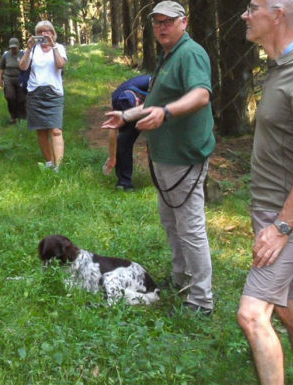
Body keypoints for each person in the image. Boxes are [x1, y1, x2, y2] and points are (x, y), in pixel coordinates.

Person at [237, 2, 293, 385]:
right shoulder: (280, 69)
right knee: (292, 307)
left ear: (277, 14)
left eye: (252, 6)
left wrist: (282, 226)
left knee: (252, 315)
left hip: (291, 217)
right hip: (273, 210)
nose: (244, 14)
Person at [112, 1, 216, 315]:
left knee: (191, 227)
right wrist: (126, 115)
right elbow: (157, 100)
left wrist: (167, 113)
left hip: (185, 157)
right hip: (165, 157)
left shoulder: (191, 54)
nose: (161, 27)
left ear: (184, 22)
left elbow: (201, 95)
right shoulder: (169, 55)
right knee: (172, 223)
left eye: (168, 21)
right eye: (157, 22)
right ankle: (181, 276)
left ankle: (201, 300)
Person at [19, 20, 68, 172]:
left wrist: (53, 46)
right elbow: (22, 67)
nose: (44, 34)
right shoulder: (33, 49)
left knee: (56, 130)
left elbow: (60, 65)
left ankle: (58, 166)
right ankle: (49, 162)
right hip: (35, 92)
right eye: (41, 32)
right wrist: (28, 49)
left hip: (54, 93)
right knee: (41, 130)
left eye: (48, 31)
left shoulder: (59, 48)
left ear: (54, 34)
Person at [101, 74, 150, 191]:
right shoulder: (118, 97)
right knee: (124, 140)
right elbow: (113, 130)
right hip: (133, 110)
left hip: (159, 106)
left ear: (138, 99)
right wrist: (112, 158)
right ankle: (124, 182)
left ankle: (161, 177)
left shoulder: (150, 82)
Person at [0, 37, 27, 124]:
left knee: (21, 98)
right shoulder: (6, 55)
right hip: (8, 78)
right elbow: (1, 67)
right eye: (12, 47)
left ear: (18, 46)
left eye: (15, 47)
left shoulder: (23, 54)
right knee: (10, 97)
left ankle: (22, 116)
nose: (13, 49)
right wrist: (0, 78)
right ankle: (13, 116)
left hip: (20, 78)